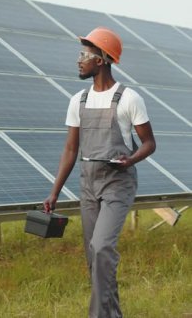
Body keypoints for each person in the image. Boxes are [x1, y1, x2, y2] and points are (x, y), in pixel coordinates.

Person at [44, 26, 156, 318]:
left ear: (102, 59)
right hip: (88, 182)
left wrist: (130, 160)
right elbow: (71, 150)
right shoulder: (77, 101)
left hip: (118, 183)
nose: (79, 60)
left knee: (102, 247)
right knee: (95, 257)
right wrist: (54, 192)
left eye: (85, 54)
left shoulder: (129, 99)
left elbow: (149, 143)